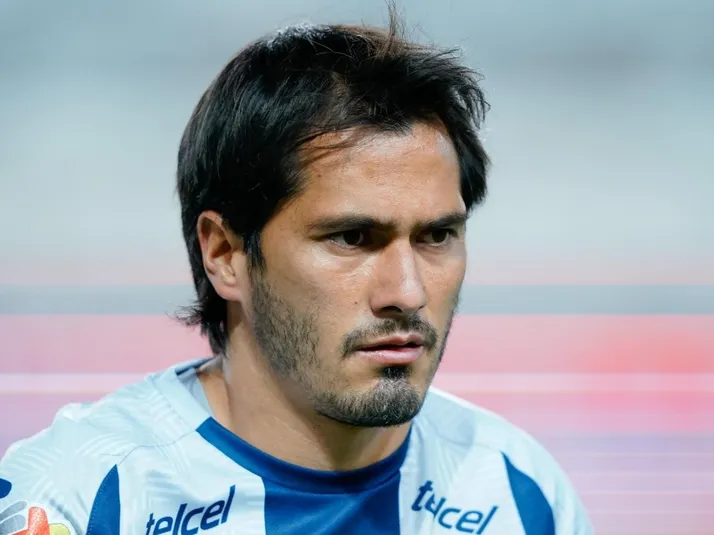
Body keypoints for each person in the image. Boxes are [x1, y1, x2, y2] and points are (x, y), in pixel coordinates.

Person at [0, 10, 593, 535]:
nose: (407, 292)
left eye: (436, 236)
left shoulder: (517, 493)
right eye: (352, 238)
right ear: (225, 254)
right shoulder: (82, 500)